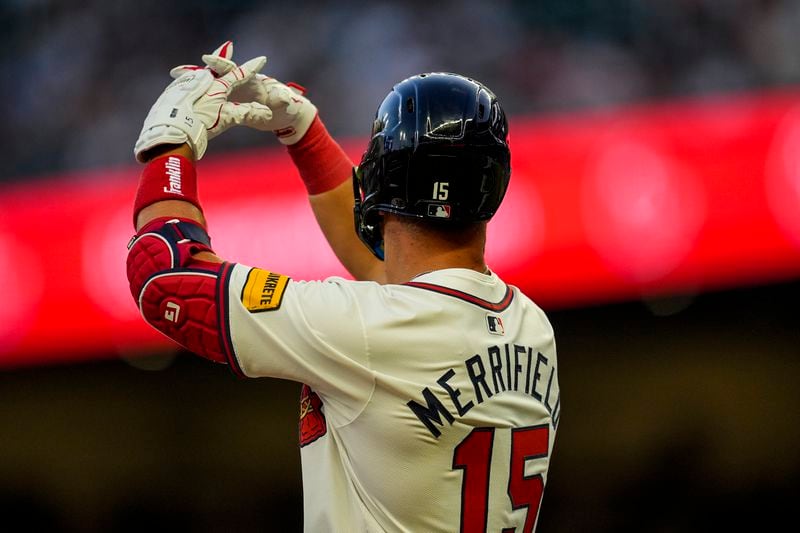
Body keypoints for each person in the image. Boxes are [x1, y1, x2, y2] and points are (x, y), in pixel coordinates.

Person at [127, 41, 560, 533]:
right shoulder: (531, 326)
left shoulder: (370, 330)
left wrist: (168, 147)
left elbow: (165, 279)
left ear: (378, 180)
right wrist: (303, 134)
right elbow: (391, 272)